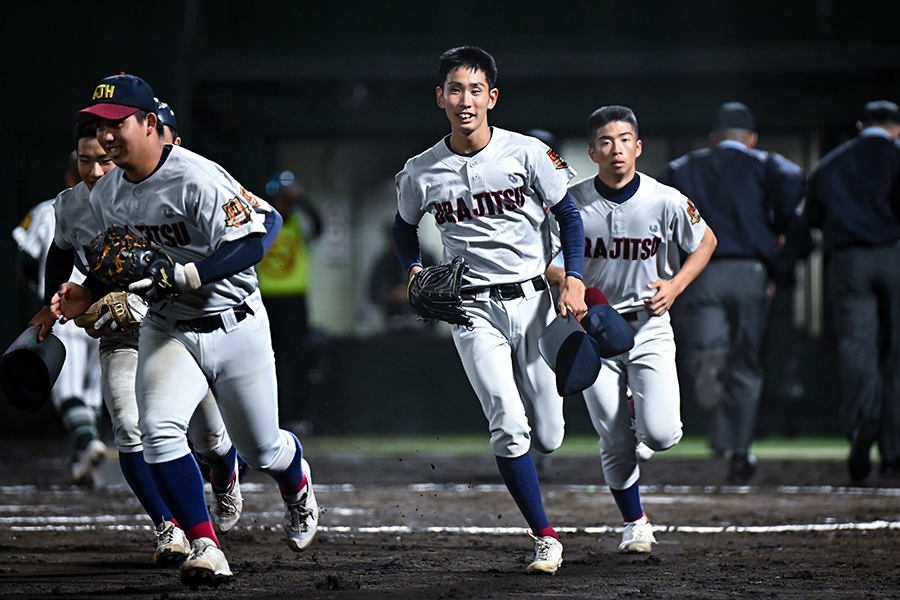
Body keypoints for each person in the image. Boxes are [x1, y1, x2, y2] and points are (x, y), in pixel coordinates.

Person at [51, 73, 317, 589]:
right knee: (156, 431)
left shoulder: (195, 177)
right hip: (167, 325)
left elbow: (261, 233)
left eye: (117, 124)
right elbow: (113, 261)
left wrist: (197, 272)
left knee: (262, 450)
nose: (106, 136)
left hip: (234, 321)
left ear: (150, 123)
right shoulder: (105, 193)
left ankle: (297, 482)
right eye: (100, 126)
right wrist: (86, 288)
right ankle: (206, 545)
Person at [392, 46, 586, 575]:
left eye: (475, 89)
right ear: (440, 98)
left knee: (549, 435)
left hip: (534, 302)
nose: (465, 100)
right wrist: (412, 270)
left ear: (492, 97)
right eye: (455, 89)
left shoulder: (527, 153)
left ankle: (544, 446)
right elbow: (403, 227)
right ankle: (545, 536)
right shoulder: (421, 170)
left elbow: (570, 216)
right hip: (472, 309)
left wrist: (574, 277)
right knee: (507, 423)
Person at [30, 118, 249, 567]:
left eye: (104, 160)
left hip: (175, 326)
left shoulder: (155, 191)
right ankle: (169, 528)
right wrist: (53, 299)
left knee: (209, 436)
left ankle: (225, 472)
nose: (94, 169)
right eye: (85, 160)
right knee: (130, 428)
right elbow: (60, 248)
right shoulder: (71, 205)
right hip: (121, 334)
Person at [547, 105, 716, 553]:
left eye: (624, 140)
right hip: (593, 333)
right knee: (613, 439)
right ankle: (635, 522)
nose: (616, 149)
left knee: (661, 436)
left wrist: (676, 285)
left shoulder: (665, 199)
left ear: (638, 147)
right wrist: (565, 280)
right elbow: (545, 259)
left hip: (649, 327)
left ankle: (640, 415)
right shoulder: (573, 204)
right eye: (606, 142)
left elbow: (707, 242)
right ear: (592, 151)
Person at [660, 102, 805, 485]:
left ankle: (708, 376)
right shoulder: (768, 165)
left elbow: (663, 203)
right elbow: (794, 185)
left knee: (708, 353)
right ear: (751, 139)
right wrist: (780, 252)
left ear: (714, 138)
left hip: (702, 271)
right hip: (750, 272)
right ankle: (740, 453)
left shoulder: (684, 167)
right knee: (746, 366)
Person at [804, 100, 900, 481]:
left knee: (857, 348)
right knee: (896, 354)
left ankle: (863, 424)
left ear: (863, 126)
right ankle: (894, 451)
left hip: (848, 261)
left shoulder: (832, 163)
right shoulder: (896, 156)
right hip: (895, 255)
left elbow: (811, 217)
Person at [13, 147, 106, 487]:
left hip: (63, 309)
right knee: (94, 393)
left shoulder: (48, 209)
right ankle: (84, 456)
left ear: (68, 177)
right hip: (103, 308)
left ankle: (85, 443)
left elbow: (25, 258)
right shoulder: (117, 206)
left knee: (68, 393)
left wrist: (39, 286)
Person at [256, 171, 322, 430]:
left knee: (297, 360)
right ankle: (271, 416)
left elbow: (318, 225)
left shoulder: (299, 224)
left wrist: (301, 201)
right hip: (266, 300)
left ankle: (298, 416)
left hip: (294, 300)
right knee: (268, 360)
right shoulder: (262, 223)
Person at [368, 222, 437, 330]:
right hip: (393, 324)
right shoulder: (384, 261)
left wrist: (415, 293)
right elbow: (373, 292)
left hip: (424, 326)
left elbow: (439, 291)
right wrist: (390, 294)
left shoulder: (426, 258)